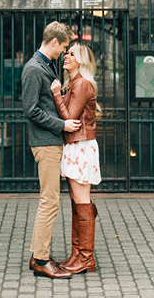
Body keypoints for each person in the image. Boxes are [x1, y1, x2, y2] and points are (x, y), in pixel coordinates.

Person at [22, 21, 80, 279]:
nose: (63, 52)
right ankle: (41, 260)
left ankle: (38, 254)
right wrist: (63, 124)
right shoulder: (34, 69)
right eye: (63, 47)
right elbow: (31, 110)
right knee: (50, 201)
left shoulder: (44, 65)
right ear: (54, 42)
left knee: (49, 201)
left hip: (50, 141)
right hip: (45, 142)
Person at [51, 43, 101, 274]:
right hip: (76, 145)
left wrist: (55, 95)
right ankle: (77, 254)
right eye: (67, 52)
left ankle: (85, 258)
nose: (66, 56)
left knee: (81, 203)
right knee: (77, 202)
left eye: (71, 54)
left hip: (81, 145)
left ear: (81, 60)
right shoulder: (75, 83)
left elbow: (70, 116)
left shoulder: (80, 84)